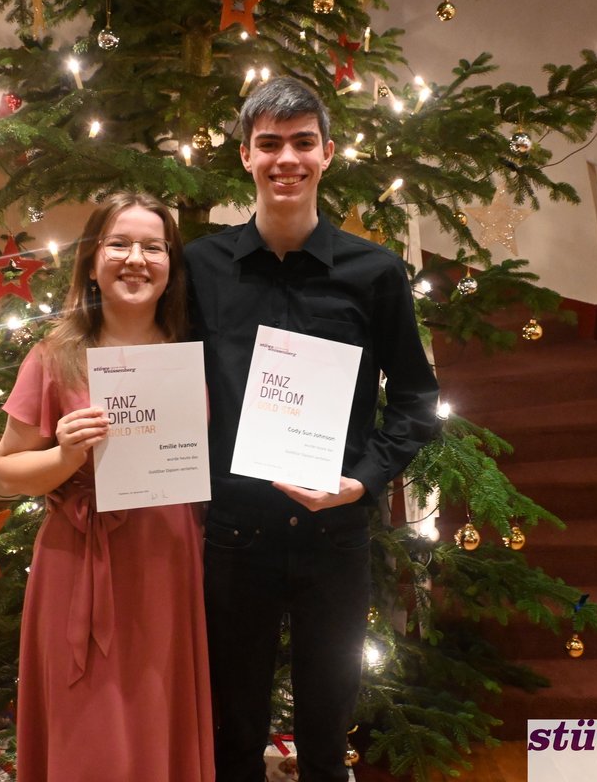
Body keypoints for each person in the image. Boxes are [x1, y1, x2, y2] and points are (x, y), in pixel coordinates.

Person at [185, 78, 439, 781]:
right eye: (269, 144)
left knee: (328, 729)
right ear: (245, 156)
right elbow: (166, 377)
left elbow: (417, 400)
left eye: (303, 142)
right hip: (234, 535)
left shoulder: (376, 272)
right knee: (232, 728)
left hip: (335, 536)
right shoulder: (200, 268)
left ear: (327, 153)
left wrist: (362, 482)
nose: (286, 159)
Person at [0, 192, 214, 782]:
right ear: (92, 262)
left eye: (153, 247)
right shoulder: (54, 357)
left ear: (171, 266)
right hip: (79, 561)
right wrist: (64, 455)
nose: (136, 259)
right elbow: (7, 469)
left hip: (168, 559)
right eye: (119, 244)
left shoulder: (192, 355)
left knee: (157, 710)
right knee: (89, 724)